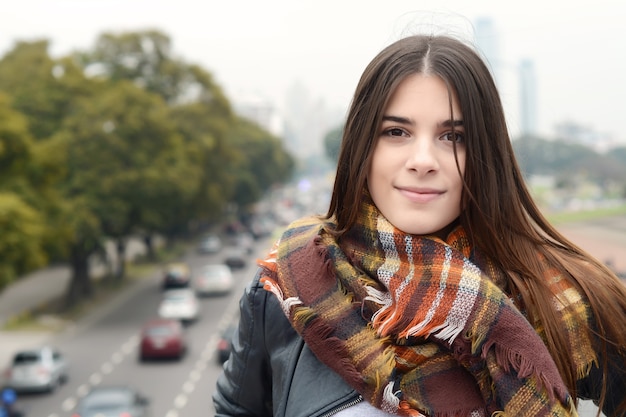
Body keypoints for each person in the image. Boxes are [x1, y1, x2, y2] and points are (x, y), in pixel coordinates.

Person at [213, 34, 626, 417]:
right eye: (396, 132)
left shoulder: (564, 293)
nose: (423, 159)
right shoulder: (289, 283)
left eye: (453, 137)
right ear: (363, 148)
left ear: (487, 154)